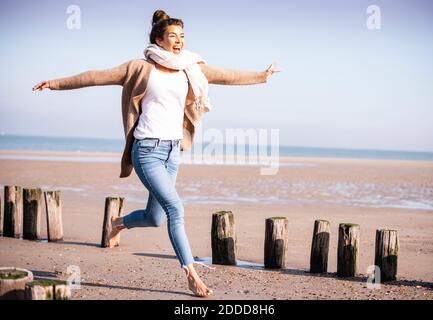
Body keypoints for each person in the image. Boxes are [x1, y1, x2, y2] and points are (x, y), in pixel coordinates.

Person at [33, 9, 279, 297]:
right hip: (147, 150)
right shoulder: (139, 68)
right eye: (173, 36)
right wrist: (55, 83)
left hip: (173, 151)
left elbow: (227, 75)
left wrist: (262, 75)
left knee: (155, 217)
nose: (179, 42)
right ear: (158, 39)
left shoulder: (190, 66)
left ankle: (118, 222)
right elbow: (96, 76)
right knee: (176, 209)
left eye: (182, 36)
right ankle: (192, 274)